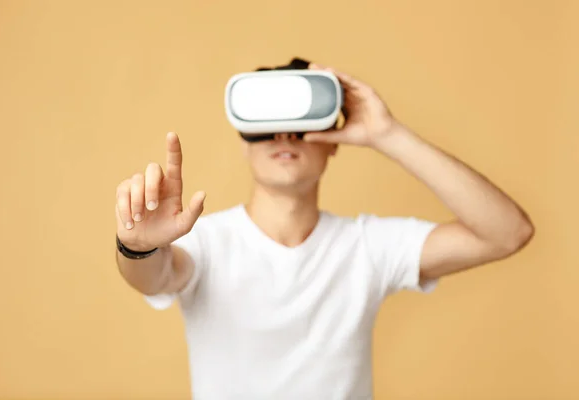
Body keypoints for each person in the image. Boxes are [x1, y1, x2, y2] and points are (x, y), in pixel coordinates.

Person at [114, 59, 534, 399]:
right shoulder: (206, 242)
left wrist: (387, 134)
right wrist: (136, 247)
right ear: (243, 139)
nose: (283, 133)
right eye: (265, 121)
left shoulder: (366, 248)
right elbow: (155, 276)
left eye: (300, 120)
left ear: (333, 139)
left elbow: (507, 233)